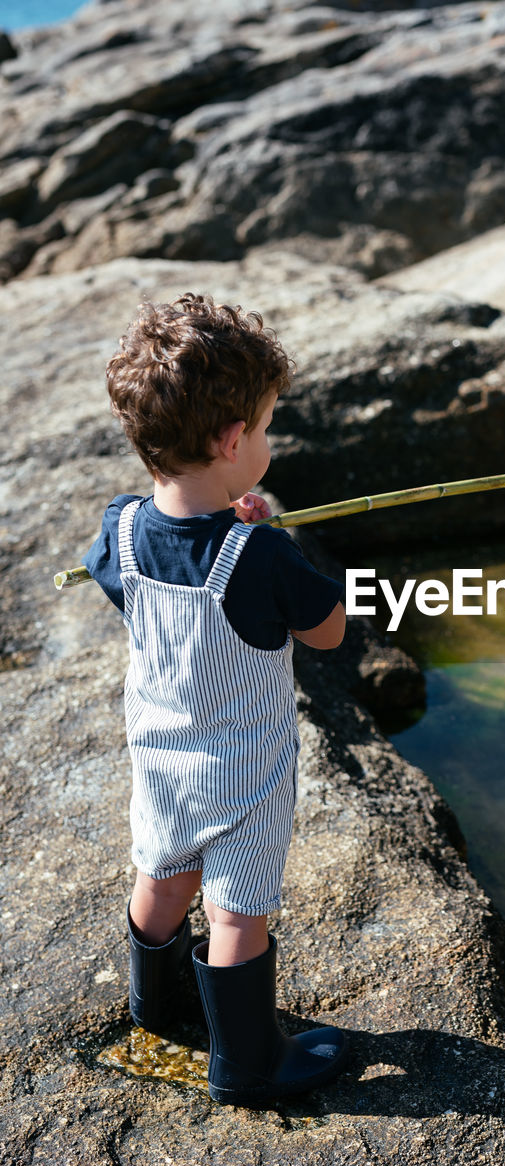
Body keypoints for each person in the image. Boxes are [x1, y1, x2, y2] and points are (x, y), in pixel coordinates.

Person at [83, 292, 349, 1107]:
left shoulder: (120, 528)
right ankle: (247, 1065)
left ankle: (155, 1008)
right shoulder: (259, 554)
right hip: (246, 770)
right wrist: (278, 536)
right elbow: (330, 632)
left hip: (158, 756)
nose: (266, 440)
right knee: (237, 914)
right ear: (233, 441)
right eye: (265, 428)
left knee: (161, 876)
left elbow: (118, 581)